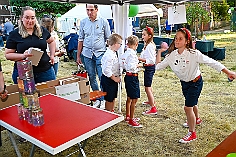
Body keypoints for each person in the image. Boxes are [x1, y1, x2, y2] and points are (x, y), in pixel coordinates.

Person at [155, 28, 236, 143]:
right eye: (176, 38)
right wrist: (152, 59)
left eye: (180, 38)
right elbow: (157, 67)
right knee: (192, 104)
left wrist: (228, 72)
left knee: (188, 107)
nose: (177, 41)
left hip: (196, 82)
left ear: (187, 41)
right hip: (184, 83)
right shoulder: (171, 56)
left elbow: (212, 62)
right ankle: (196, 119)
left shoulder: (194, 54)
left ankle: (192, 133)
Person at [5, 6, 56, 84]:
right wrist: (23, 56)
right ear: (22, 18)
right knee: (27, 95)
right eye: (27, 18)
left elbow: (51, 41)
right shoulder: (15, 34)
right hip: (24, 72)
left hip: (45, 71)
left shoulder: (42, 31)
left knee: (48, 94)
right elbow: (8, 55)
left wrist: (52, 55)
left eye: (32, 18)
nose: (30, 21)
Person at [77, 4, 111, 107]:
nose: (89, 12)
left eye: (91, 10)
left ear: (96, 9)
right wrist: (78, 56)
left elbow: (108, 38)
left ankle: (105, 98)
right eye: (87, 10)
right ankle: (98, 98)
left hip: (100, 53)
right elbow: (80, 39)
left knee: (102, 76)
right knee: (91, 76)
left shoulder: (103, 22)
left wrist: (110, 55)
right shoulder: (83, 22)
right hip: (87, 54)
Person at [120, 35, 142, 128]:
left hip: (128, 77)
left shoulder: (125, 53)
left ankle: (128, 116)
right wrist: (139, 65)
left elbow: (122, 64)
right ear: (136, 44)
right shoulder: (132, 54)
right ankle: (131, 119)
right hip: (133, 76)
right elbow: (132, 67)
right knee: (134, 99)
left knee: (129, 97)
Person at [138, 26, 158, 115]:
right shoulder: (147, 45)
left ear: (149, 36)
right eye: (142, 35)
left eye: (144, 35)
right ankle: (150, 101)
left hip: (149, 68)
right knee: (148, 87)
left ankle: (153, 108)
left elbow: (151, 60)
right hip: (148, 68)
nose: (142, 36)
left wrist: (139, 59)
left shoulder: (149, 46)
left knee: (147, 88)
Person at [101, 34, 122, 112]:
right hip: (108, 79)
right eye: (120, 44)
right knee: (109, 98)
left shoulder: (113, 53)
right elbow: (107, 70)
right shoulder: (109, 55)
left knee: (112, 96)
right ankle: (108, 111)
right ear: (115, 43)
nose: (120, 46)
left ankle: (111, 110)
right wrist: (115, 78)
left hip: (112, 78)